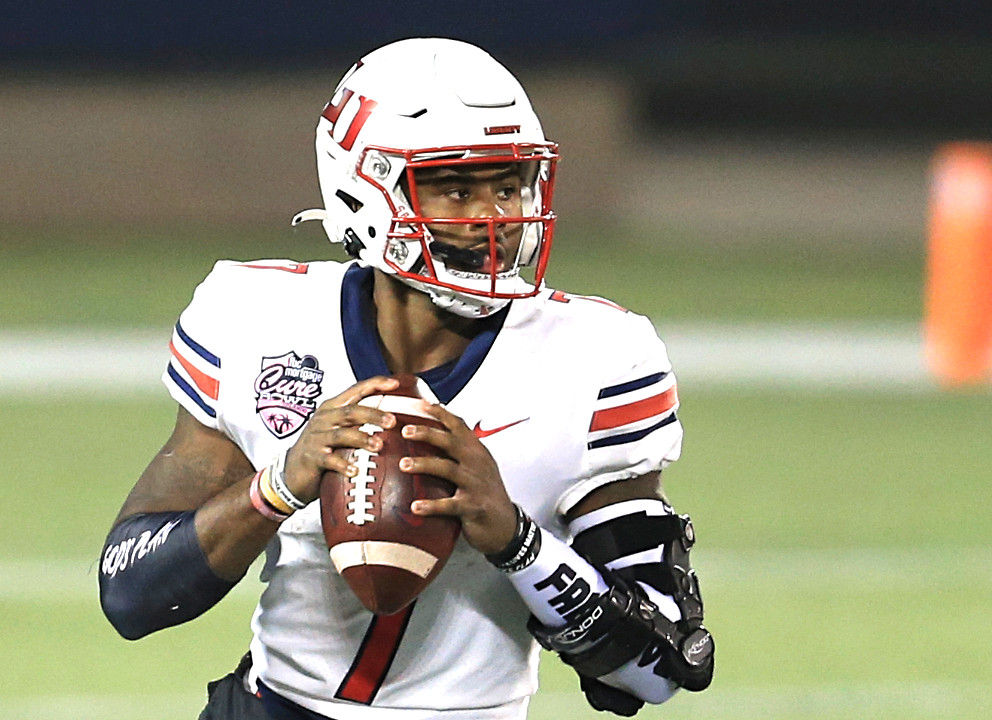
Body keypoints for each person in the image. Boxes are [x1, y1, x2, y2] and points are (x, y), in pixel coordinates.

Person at [98, 37, 714, 719]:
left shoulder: (598, 355)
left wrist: (517, 541)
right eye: (458, 189)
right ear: (363, 191)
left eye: (508, 186)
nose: (496, 217)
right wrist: (277, 486)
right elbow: (131, 593)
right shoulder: (255, 314)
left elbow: (655, 671)